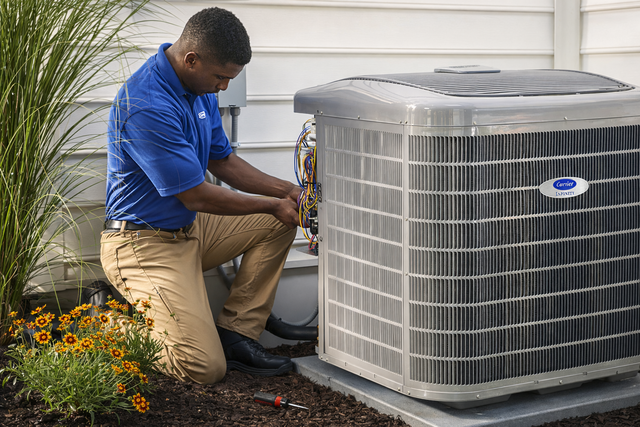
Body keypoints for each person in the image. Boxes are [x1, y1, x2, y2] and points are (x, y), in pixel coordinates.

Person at [100, 7, 301, 384]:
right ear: (191, 60)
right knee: (201, 368)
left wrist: (288, 191)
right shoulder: (146, 104)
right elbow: (196, 196)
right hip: (142, 243)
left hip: (188, 229)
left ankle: (237, 335)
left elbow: (222, 161)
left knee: (275, 222)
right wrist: (274, 204)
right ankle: (102, 324)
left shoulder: (198, 88)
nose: (224, 87)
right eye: (221, 77)